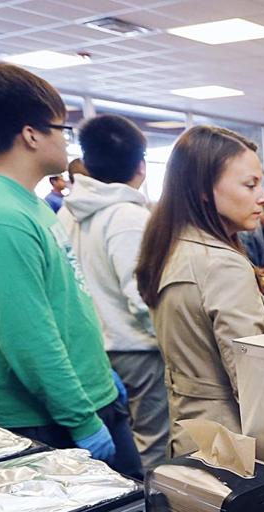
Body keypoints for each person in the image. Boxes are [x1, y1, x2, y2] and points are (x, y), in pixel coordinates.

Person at [0, 63, 141, 478]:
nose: (68, 143)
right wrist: (82, 420)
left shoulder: (27, 202)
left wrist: (101, 373)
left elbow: (64, 302)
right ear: (31, 134)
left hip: (87, 395)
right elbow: (27, 335)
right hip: (50, 415)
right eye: (61, 129)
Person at [134, 125, 264, 457]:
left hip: (189, 430)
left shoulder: (171, 247)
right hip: (234, 442)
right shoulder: (221, 264)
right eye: (250, 185)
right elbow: (253, 382)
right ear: (203, 189)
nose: (263, 196)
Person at [61, 113, 168, 469]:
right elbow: (140, 297)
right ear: (141, 166)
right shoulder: (128, 216)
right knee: (152, 444)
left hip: (94, 349)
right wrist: (170, 340)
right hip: (136, 349)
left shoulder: (67, 213)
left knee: (121, 446)